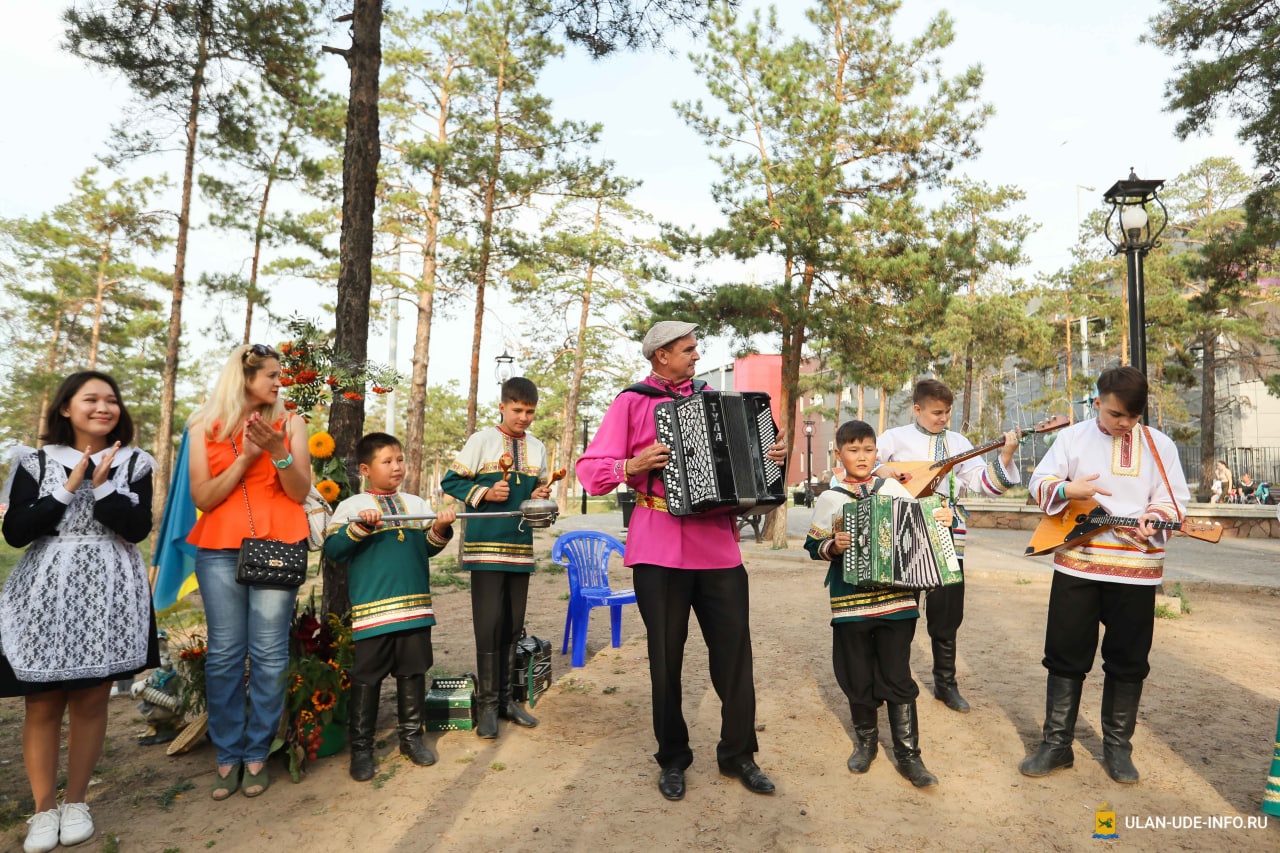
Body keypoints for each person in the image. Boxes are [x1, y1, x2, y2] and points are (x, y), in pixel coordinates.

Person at [576, 320, 787, 802]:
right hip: (658, 547)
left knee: (735, 657)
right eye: (688, 349)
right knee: (665, 659)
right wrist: (630, 465)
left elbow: (754, 474)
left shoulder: (719, 400)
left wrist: (767, 460)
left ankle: (739, 755)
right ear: (660, 356)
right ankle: (672, 758)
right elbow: (590, 471)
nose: (696, 355)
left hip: (718, 547)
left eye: (696, 348)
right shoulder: (631, 402)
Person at [0, 371, 159, 853]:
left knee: (92, 699)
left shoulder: (136, 463)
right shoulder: (34, 461)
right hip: (47, 588)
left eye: (111, 399)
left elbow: (136, 530)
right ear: (66, 408)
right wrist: (69, 486)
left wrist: (105, 485)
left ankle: (77, 801)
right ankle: (43, 810)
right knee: (43, 702)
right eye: (90, 399)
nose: (103, 407)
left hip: (110, 589)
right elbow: (17, 531)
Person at [1019, 366, 1189, 784]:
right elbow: (1039, 482)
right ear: (1097, 402)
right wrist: (1067, 490)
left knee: (1129, 660)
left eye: (1132, 416)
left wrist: (1156, 516)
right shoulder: (1072, 437)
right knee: (1065, 654)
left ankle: (1117, 749)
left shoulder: (1159, 445)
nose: (1124, 423)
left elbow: (1174, 499)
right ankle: (1056, 745)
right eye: (1115, 414)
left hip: (1137, 571)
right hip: (1079, 562)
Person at [186, 344, 311, 800]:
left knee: (270, 653)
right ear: (244, 377)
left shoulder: (291, 421)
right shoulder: (204, 425)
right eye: (272, 375)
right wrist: (245, 458)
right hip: (219, 549)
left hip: (277, 546)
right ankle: (227, 754)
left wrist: (278, 451)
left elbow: (299, 492)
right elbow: (203, 497)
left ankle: (257, 751)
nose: (280, 382)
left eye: (281, 375)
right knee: (223, 654)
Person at [804, 419, 952, 788]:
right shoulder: (831, 498)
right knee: (857, 674)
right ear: (839, 454)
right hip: (850, 604)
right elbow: (812, 546)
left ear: (877, 451)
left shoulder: (895, 491)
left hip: (898, 601)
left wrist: (944, 519)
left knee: (897, 674)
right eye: (853, 450)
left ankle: (908, 755)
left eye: (868, 449)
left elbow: (926, 525)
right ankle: (866, 743)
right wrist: (831, 547)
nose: (862, 456)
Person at [871, 378, 1020, 714]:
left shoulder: (959, 442)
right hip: (903, 535)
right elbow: (866, 469)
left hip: (948, 535)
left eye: (947, 412)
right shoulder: (894, 438)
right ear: (917, 409)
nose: (943, 418)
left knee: (947, 615)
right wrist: (887, 471)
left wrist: (1006, 454)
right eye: (936, 412)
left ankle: (945, 684)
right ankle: (895, 682)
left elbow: (985, 485)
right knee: (900, 613)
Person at [323, 432, 456, 781]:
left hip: (415, 608)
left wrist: (440, 528)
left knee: (413, 672)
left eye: (399, 459)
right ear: (366, 469)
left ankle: (412, 739)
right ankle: (362, 749)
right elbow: (334, 552)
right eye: (387, 461)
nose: (396, 466)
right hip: (374, 613)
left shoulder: (416, 504)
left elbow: (426, 548)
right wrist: (360, 528)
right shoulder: (351, 507)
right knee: (367, 679)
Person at [441, 377, 550, 739]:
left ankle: (506, 701)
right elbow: (450, 482)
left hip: (520, 549)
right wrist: (485, 492)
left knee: (512, 625)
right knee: (488, 625)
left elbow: (537, 489)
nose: (523, 418)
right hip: (485, 549)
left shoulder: (537, 447)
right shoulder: (481, 441)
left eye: (530, 411)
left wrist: (540, 490)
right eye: (517, 410)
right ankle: (487, 705)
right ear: (502, 407)